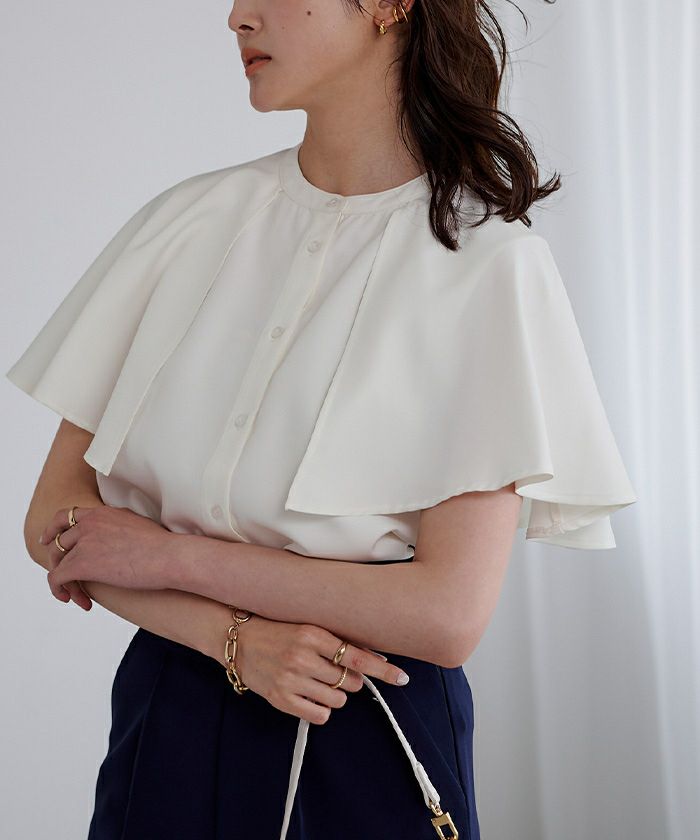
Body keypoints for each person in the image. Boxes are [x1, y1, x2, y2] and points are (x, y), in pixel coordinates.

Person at [7, 1, 637, 838]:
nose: (238, 16)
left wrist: (170, 556)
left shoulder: (487, 265)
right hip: (170, 713)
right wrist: (230, 638)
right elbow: (57, 522)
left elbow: (446, 616)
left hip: (361, 719)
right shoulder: (190, 221)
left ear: (389, 5)